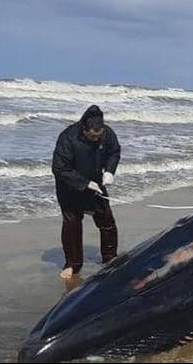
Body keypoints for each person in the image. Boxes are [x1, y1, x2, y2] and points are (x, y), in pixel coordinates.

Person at [51, 105, 121, 280]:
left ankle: (110, 258)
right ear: (84, 129)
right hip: (70, 188)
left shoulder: (107, 133)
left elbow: (114, 152)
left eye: (99, 136)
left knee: (107, 221)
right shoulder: (67, 138)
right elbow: (59, 168)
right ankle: (72, 265)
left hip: (97, 185)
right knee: (72, 224)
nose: (97, 138)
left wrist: (109, 171)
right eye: (93, 136)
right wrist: (84, 183)